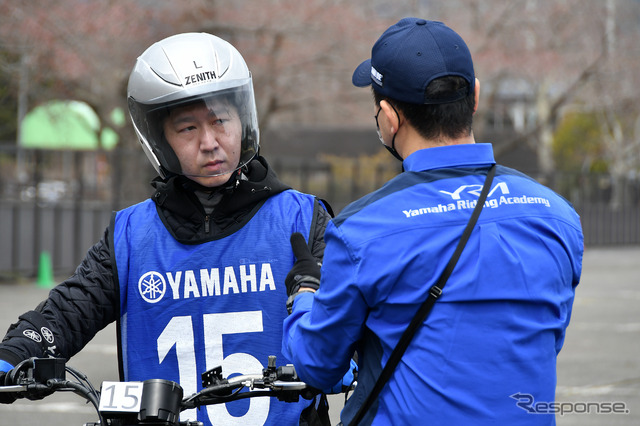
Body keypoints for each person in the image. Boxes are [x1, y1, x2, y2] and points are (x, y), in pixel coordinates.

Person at [0, 32, 335, 426]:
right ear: (161, 141)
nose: (210, 142)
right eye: (187, 129)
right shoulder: (131, 235)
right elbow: (70, 310)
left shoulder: (301, 218)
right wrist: (15, 352)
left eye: (220, 120)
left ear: (243, 122)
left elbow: (351, 322)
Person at [282, 17, 584, 425]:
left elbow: (318, 367)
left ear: (388, 118)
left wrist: (304, 293)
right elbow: (542, 341)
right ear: (474, 97)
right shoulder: (558, 216)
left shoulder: (361, 231)